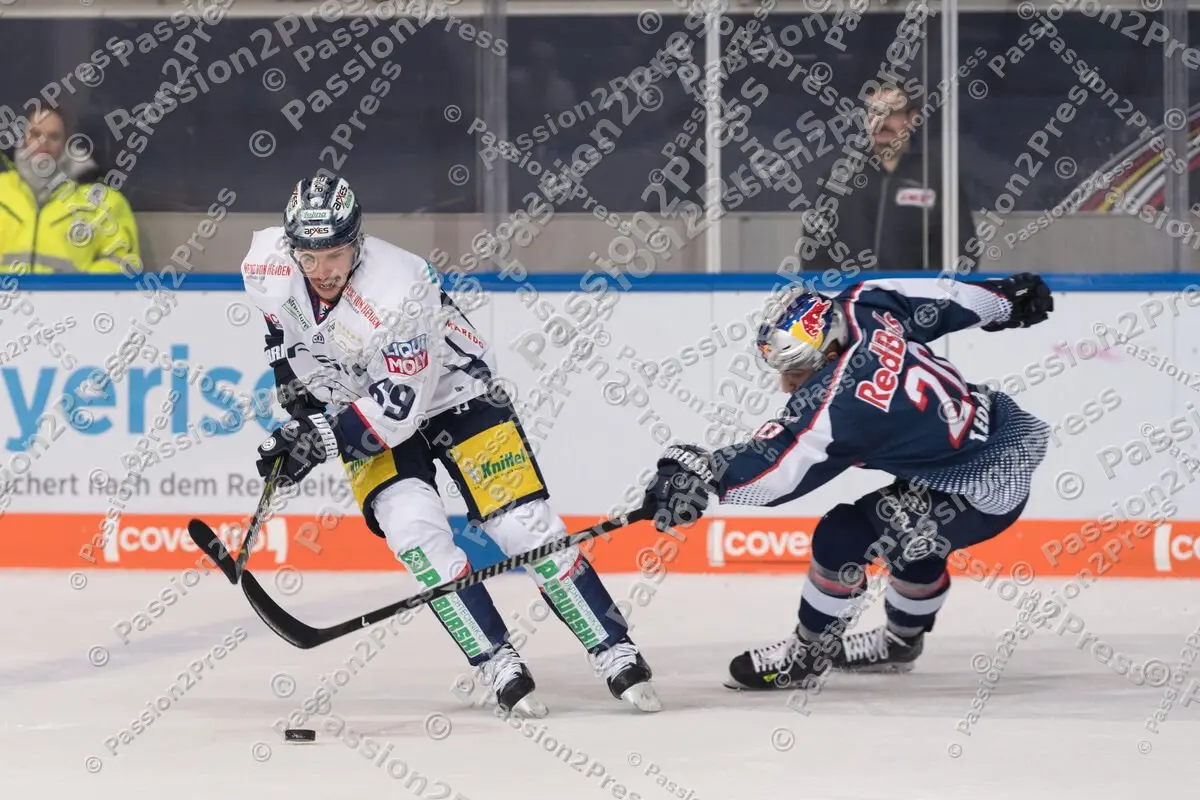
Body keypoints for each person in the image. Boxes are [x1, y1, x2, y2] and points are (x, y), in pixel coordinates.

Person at [239, 174, 661, 717]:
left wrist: (317, 437)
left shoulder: (401, 287)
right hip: (357, 400)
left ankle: (613, 648)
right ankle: (494, 660)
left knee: (523, 527)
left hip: (453, 394)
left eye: (335, 254)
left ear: (358, 243)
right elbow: (282, 334)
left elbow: (396, 414)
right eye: (309, 256)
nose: (321, 270)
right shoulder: (267, 263)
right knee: (416, 537)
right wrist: (298, 404)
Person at [639, 274, 1054, 689]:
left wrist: (702, 474)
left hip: (981, 486)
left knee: (842, 537)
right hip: (1003, 428)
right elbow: (947, 297)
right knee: (914, 542)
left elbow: (778, 470)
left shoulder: (842, 405)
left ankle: (807, 655)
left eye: (797, 369)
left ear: (829, 349)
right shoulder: (864, 304)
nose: (787, 384)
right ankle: (900, 642)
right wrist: (1004, 299)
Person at [802, 86, 980, 274]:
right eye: (874, 113)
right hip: (851, 297)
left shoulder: (936, 177)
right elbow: (814, 246)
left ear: (912, 118)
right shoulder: (840, 176)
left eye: (891, 114)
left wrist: (931, 295)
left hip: (913, 300)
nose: (880, 122)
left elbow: (963, 248)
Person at [0, 107, 139, 274]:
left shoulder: (103, 201)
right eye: (36, 134)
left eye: (53, 136)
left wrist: (77, 293)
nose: (42, 143)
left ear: (67, 143)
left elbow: (122, 264)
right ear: (23, 139)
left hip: (72, 300)